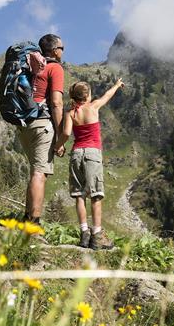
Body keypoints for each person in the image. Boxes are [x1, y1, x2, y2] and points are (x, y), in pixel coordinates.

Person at [54, 78, 124, 249]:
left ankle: (84, 232)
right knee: (96, 195)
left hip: (77, 153)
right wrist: (116, 85)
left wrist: (58, 146)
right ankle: (97, 235)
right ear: (87, 96)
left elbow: (65, 133)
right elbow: (107, 96)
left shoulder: (70, 113)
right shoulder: (93, 107)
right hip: (92, 154)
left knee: (79, 194)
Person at [19, 34, 64, 225]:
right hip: (42, 124)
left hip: (24, 124)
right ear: (54, 50)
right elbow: (56, 103)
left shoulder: (30, 67)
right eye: (62, 48)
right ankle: (33, 223)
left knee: (34, 171)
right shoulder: (55, 68)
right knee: (39, 174)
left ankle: (27, 217)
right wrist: (61, 135)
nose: (63, 51)